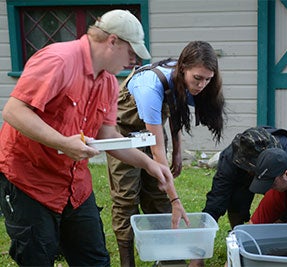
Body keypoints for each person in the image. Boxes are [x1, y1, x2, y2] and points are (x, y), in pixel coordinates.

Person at [0, 9, 188, 267]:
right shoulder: (59, 60)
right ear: (112, 41)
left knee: (95, 260)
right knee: (37, 258)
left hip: (74, 185)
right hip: (29, 181)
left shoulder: (109, 83)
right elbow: (14, 111)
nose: (134, 62)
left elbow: (108, 135)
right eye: (131, 53)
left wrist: (149, 164)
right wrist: (63, 142)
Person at [106, 41, 225, 266]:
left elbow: (174, 109)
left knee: (157, 196)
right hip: (124, 135)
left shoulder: (182, 78)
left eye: (208, 79)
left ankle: (169, 258)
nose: (202, 85)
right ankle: (126, 261)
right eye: (198, 78)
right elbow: (157, 152)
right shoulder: (149, 88)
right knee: (126, 198)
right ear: (182, 69)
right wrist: (176, 199)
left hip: (152, 129)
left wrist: (178, 152)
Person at [189, 126, 287, 267]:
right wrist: (198, 254)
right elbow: (214, 204)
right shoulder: (230, 160)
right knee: (236, 201)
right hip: (240, 175)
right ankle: (239, 241)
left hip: (279, 179)